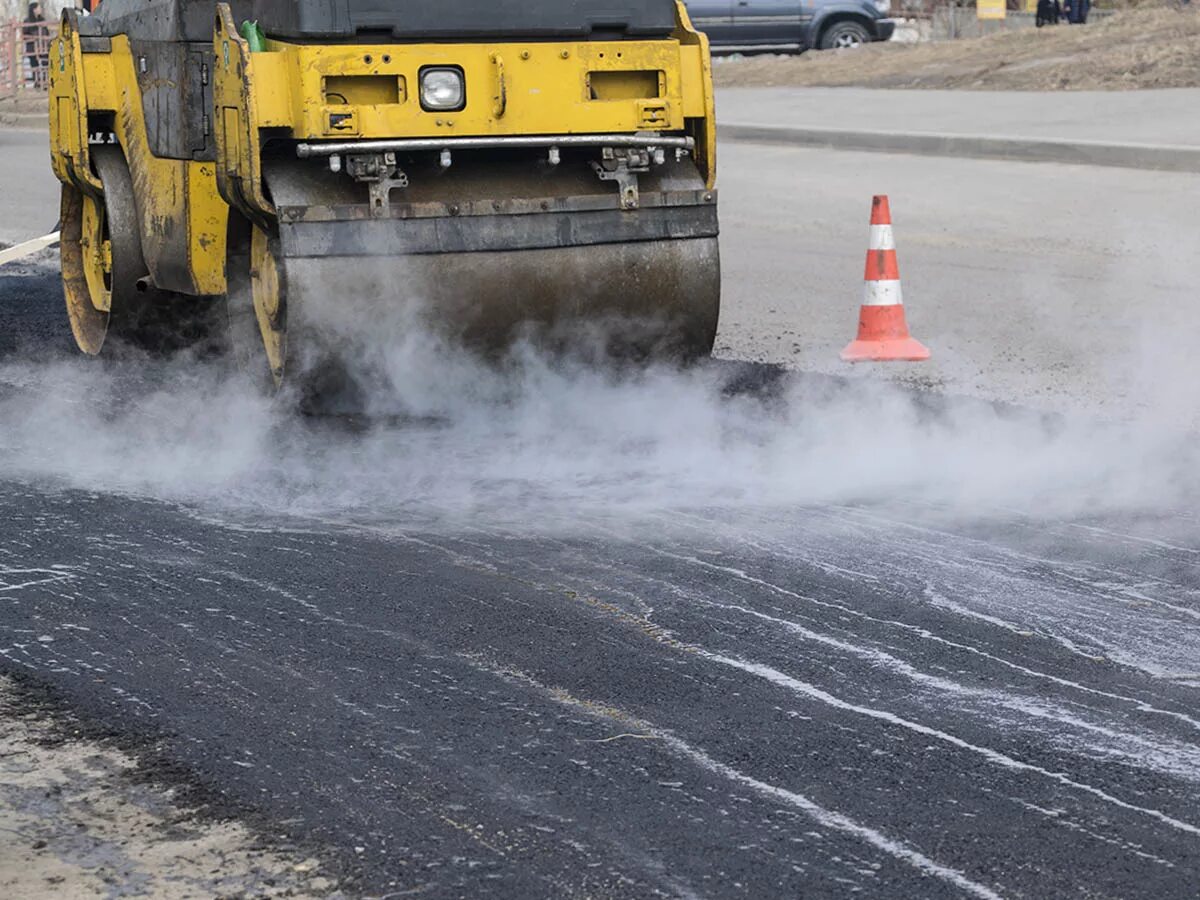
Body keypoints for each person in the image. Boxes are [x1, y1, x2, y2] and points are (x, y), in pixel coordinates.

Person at [24, 2, 50, 89]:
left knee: (45, 63)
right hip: (32, 47)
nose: (40, 10)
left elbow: (46, 32)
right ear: (34, 10)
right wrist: (35, 38)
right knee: (34, 65)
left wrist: (44, 39)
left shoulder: (42, 19)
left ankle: (46, 82)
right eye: (38, 8)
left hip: (43, 45)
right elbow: (25, 34)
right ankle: (37, 82)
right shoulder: (27, 21)